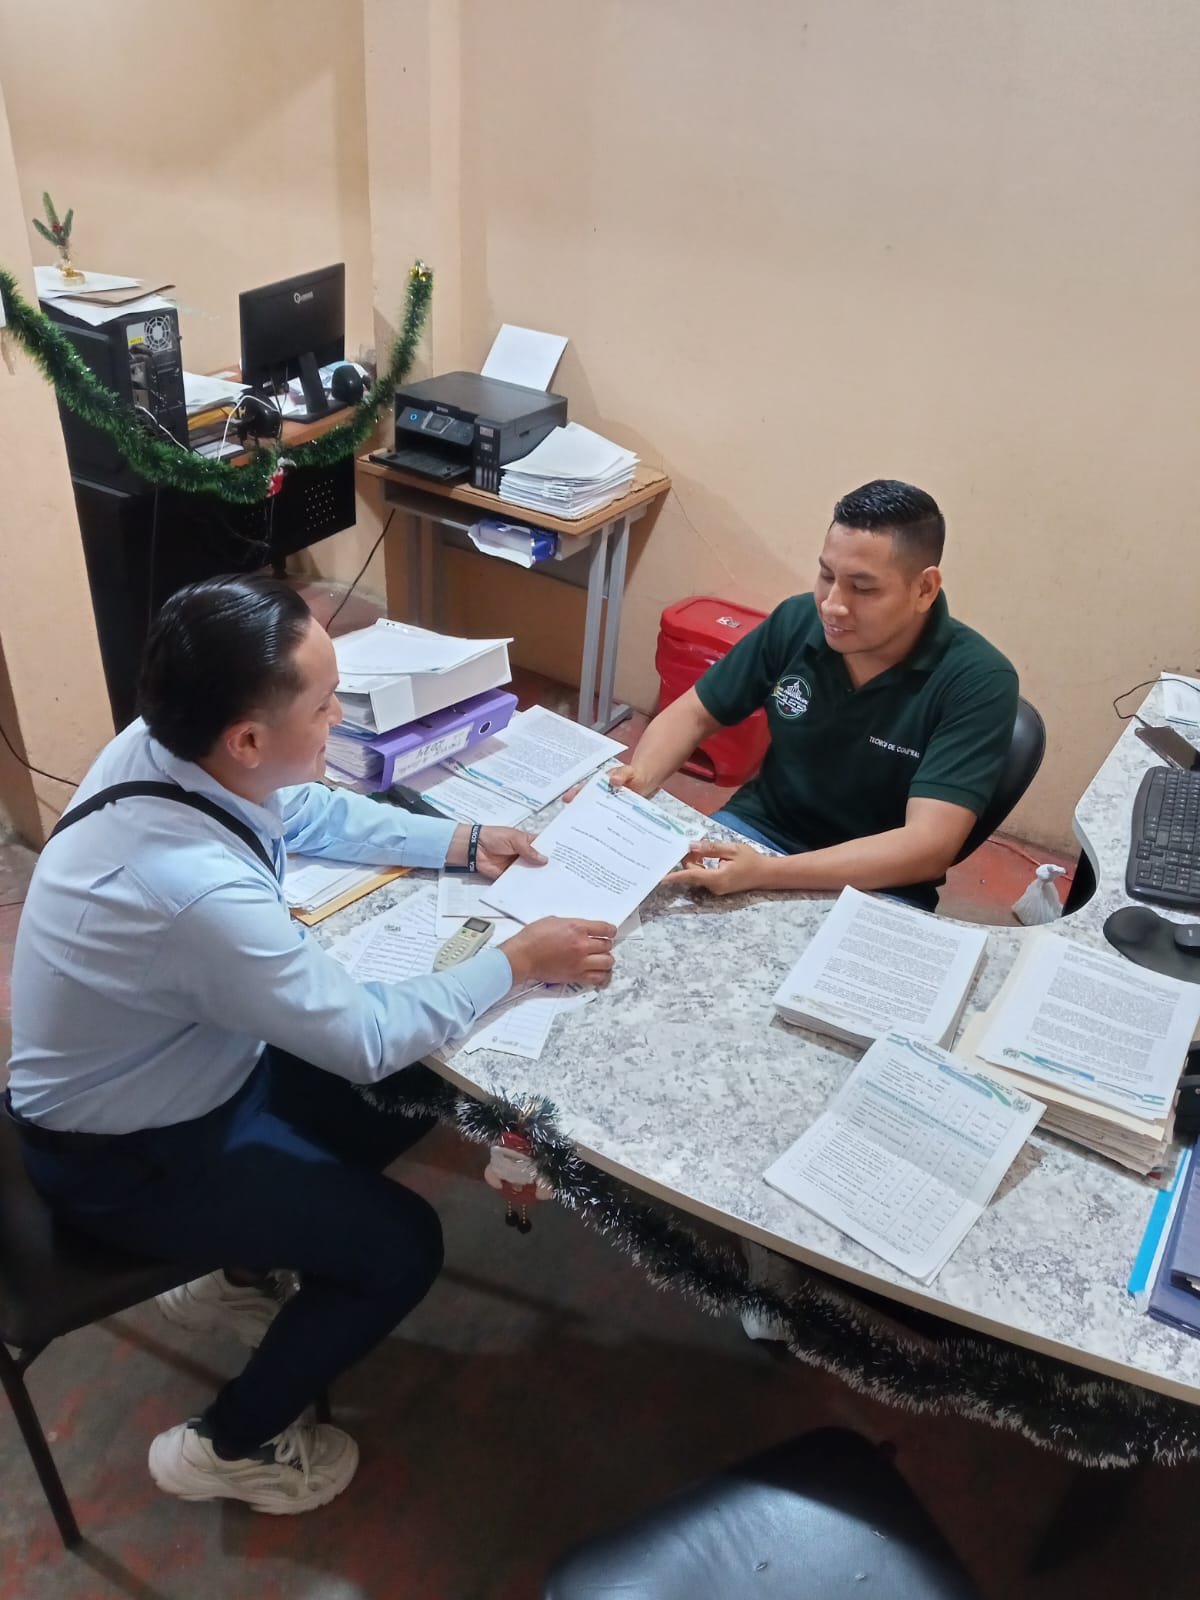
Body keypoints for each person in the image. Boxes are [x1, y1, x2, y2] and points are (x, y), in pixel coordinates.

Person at [3, 576, 616, 1514]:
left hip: (178, 1080)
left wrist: (459, 841)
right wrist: (519, 960)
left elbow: (300, 810)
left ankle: (234, 1268)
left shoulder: (167, 746)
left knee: (403, 1098)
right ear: (247, 737)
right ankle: (228, 1444)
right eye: (326, 705)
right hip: (121, 1161)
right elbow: (366, 1037)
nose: (339, 719)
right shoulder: (194, 893)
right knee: (401, 1245)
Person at [614, 479, 1019, 910]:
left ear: (924, 589)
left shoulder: (979, 679)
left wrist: (769, 874)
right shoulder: (798, 620)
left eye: (863, 588)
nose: (833, 605)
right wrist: (641, 778)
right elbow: (695, 713)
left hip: (883, 881)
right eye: (827, 576)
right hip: (759, 830)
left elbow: (926, 847)